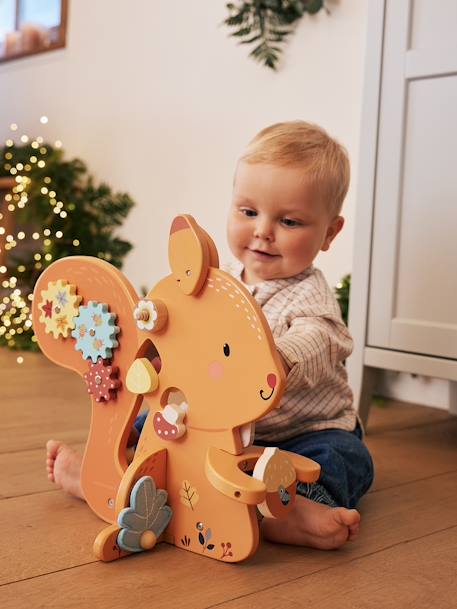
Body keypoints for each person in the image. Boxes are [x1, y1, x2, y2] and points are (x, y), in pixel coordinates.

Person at [46, 120, 374, 551]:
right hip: (215, 425)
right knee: (146, 426)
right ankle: (106, 476)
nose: (263, 231)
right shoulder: (217, 286)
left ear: (329, 232)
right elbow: (188, 334)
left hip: (300, 431)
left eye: (289, 220)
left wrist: (278, 357)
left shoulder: (311, 297)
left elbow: (321, 340)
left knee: (343, 458)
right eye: (248, 212)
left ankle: (289, 510)